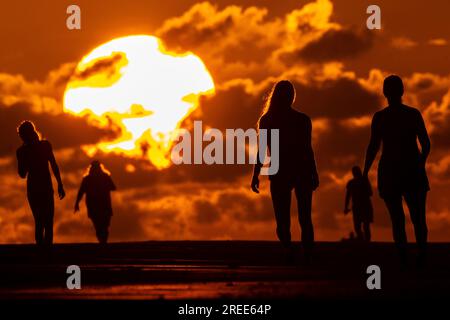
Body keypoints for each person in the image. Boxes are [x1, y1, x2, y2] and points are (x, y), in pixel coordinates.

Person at [363, 75, 430, 267]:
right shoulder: (413, 114)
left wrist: (366, 171)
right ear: (402, 91)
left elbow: (373, 146)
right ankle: (421, 254)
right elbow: (426, 144)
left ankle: (404, 257)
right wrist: (421, 162)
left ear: (385, 92)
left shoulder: (381, 117)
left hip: (391, 170)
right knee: (418, 217)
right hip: (411, 169)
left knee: (397, 219)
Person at [251, 80, 319, 262]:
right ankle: (297, 251)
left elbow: (307, 148)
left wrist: (314, 173)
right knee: (293, 219)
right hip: (291, 171)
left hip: (289, 171)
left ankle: (300, 252)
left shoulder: (277, 120)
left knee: (296, 218)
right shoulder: (275, 120)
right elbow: (263, 150)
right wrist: (255, 174)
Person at [16, 121, 65, 246]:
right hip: (40, 188)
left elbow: (53, 165)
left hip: (41, 188)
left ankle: (44, 252)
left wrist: (60, 184)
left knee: (44, 221)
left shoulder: (41, 146)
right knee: (43, 221)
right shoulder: (29, 150)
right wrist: (60, 184)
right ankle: (43, 251)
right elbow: (23, 174)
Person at [74, 161, 116, 244]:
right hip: (100, 205)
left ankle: (103, 242)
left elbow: (81, 192)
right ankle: (103, 242)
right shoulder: (103, 177)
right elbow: (81, 192)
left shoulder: (88, 179)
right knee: (102, 226)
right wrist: (77, 203)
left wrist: (77, 203)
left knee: (101, 226)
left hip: (98, 205)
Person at [344, 166, 373, 242]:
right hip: (360, 206)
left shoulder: (361, 181)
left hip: (363, 206)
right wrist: (346, 207)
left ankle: (365, 242)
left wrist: (346, 207)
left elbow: (370, 193)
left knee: (363, 226)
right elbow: (348, 196)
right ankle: (363, 241)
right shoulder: (357, 182)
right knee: (359, 227)